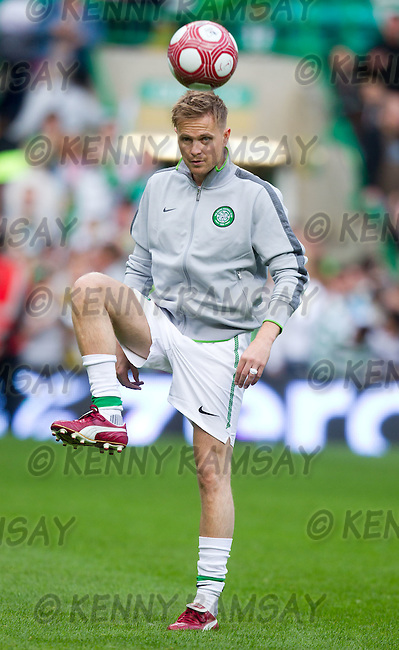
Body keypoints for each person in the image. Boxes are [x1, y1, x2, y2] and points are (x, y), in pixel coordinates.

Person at [51, 90, 309, 631]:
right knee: (88, 287)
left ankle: (204, 605)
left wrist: (264, 340)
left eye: (205, 140)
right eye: (187, 140)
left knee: (211, 475)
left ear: (226, 137)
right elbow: (139, 269)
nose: (195, 150)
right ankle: (108, 416)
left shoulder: (256, 196)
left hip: (223, 343)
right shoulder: (157, 187)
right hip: (164, 322)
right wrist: (121, 344)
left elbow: (292, 273)